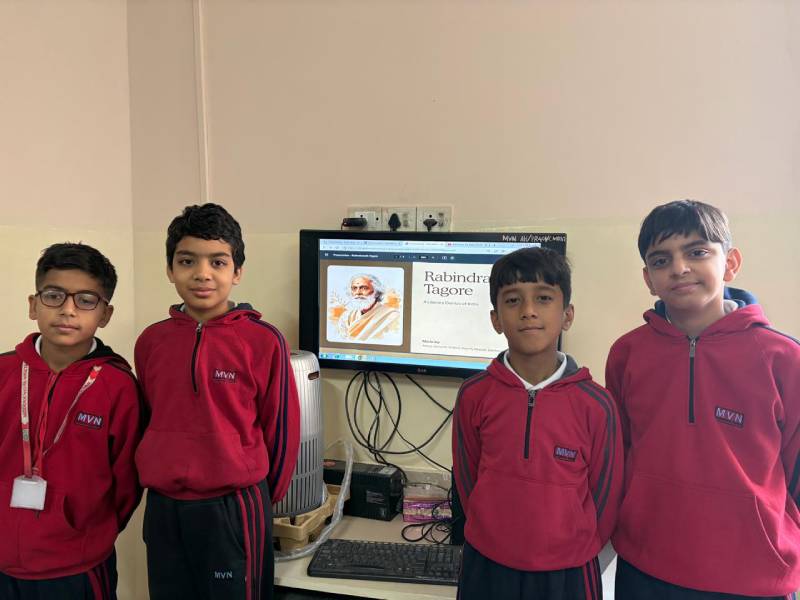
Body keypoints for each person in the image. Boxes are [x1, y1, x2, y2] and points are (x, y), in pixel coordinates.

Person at [606, 200, 800, 599]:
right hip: (646, 568)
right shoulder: (627, 354)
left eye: (697, 252)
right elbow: (619, 453)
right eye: (661, 260)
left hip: (753, 576)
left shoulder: (783, 358)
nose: (679, 268)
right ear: (648, 278)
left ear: (730, 263)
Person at [134, 203, 300, 600]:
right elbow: (149, 418)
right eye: (187, 261)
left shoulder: (263, 341)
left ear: (237, 272)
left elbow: (281, 430)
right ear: (170, 269)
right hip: (164, 506)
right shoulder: (151, 341)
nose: (202, 273)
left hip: (234, 505)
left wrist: (257, 494)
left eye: (218, 262)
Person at [452, 247, 623, 600]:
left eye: (543, 298)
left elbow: (605, 499)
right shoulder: (474, 395)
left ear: (567, 315)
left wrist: (575, 545)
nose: (528, 310)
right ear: (496, 319)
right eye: (513, 300)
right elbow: (467, 480)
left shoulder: (596, 404)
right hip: (487, 566)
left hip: (568, 573)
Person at [0, 243, 143, 599]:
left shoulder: (118, 386)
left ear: (105, 314)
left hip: (78, 566)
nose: (67, 310)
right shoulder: (4, 371)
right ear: (33, 305)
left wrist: (87, 530)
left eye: (86, 300)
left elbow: (127, 482)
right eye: (54, 296)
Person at [336, 273, 400, 341]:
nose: (358, 292)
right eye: (354, 288)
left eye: (364, 288)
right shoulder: (346, 317)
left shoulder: (392, 316)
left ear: (377, 293)